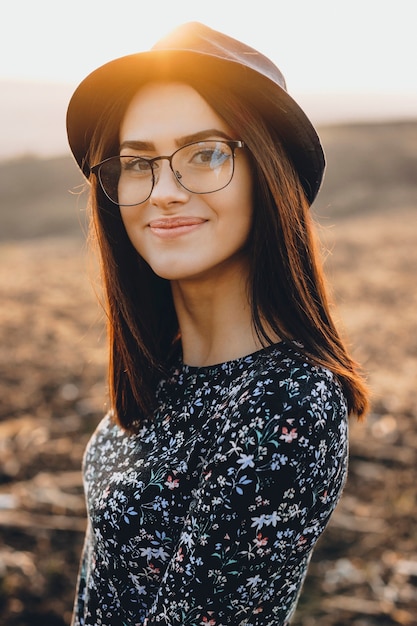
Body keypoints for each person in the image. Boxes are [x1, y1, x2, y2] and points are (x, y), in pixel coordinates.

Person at [66, 21, 369, 626]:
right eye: (137, 162)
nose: (165, 191)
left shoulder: (284, 403)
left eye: (205, 154)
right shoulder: (165, 369)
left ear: (270, 176)